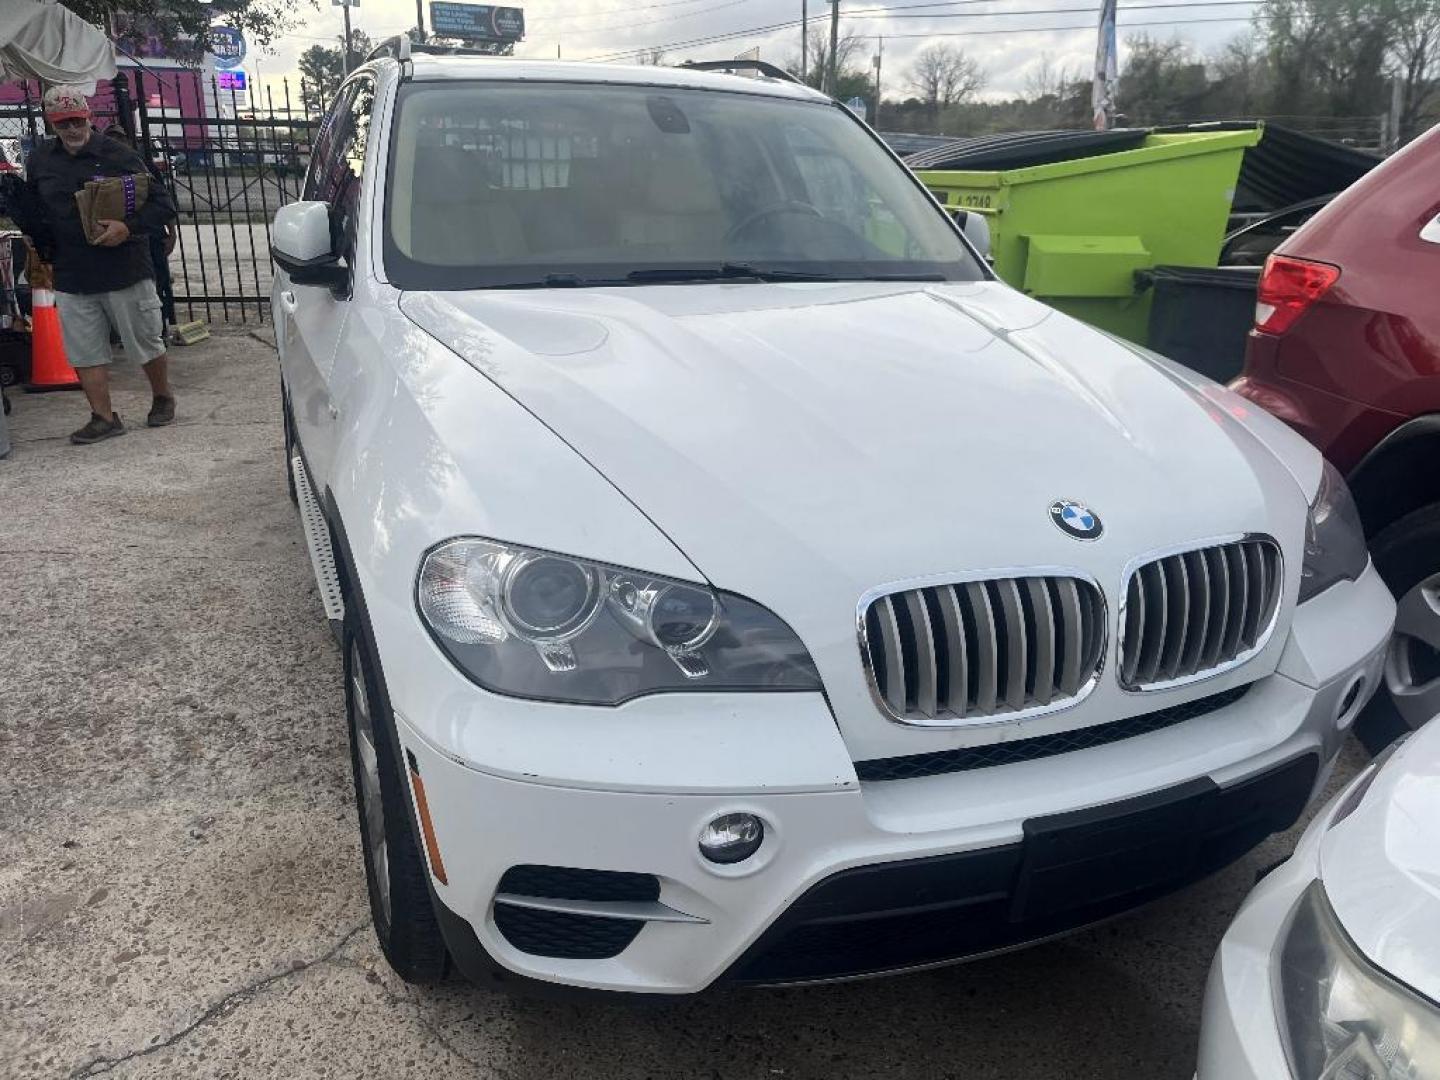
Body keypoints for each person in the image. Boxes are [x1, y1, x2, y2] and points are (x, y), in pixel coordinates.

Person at [8, 86, 179, 445]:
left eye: (77, 120)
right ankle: (103, 416)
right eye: (63, 123)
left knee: (144, 341)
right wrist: (35, 240)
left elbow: (162, 205)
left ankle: (162, 396)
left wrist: (127, 227)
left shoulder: (118, 154)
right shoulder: (41, 160)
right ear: (50, 123)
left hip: (124, 266)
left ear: (88, 117)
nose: (72, 129)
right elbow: (36, 207)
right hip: (71, 269)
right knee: (84, 349)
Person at [102, 123, 178, 336]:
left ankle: (160, 329)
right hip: (120, 239)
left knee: (158, 282)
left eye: (120, 138)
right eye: (111, 138)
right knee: (125, 287)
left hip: (151, 233)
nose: (116, 143)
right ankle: (121, 331)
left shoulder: (141, 166)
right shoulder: (99, 168)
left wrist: (172, 234)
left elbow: (164, 203)